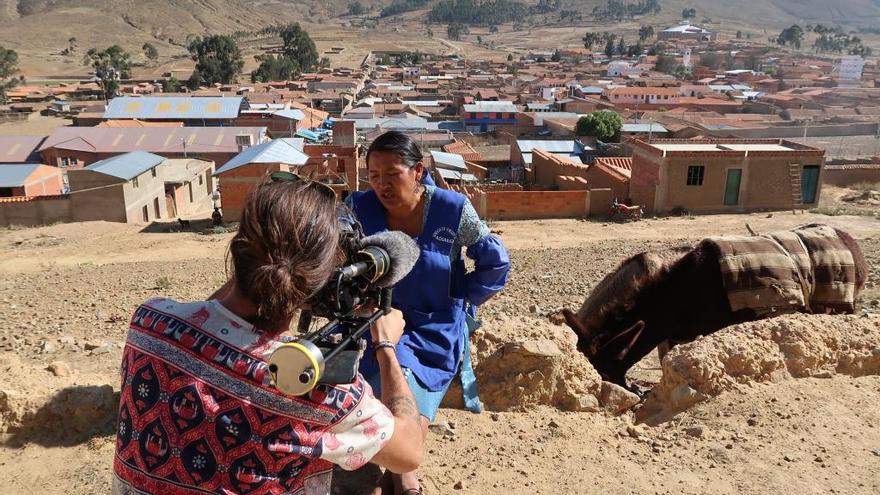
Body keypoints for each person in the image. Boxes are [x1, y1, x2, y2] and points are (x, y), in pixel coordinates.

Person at [113, 177, 424, 495]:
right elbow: (409, 452)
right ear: (322, 285)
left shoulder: (149, 324)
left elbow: (210, 315)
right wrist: (385, 345)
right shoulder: (316, 391)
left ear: (237, 252)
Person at [346, 131, 510, 494]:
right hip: (375, 322)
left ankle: (400, 473)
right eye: (373, 175)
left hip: (433, 329)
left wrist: (461, 299)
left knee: (403, 374)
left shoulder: (452, 211)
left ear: (418, 171)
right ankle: (398, 473)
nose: (381, 185)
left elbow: (494, 264)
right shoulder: (357, 209)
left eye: (392, 174)